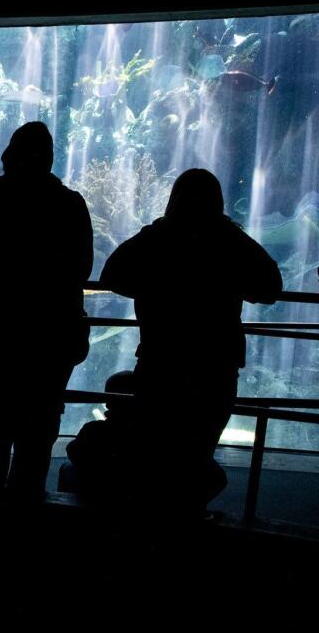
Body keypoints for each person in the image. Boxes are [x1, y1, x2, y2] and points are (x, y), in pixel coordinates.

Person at [100, 168, 280, 514]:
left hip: (161, 362)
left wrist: (151, 284)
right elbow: (270, 285)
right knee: (198, 451)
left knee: (158, 450)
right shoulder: (228, 240)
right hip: (215, 366)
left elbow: (113, 272)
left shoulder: (160, 238)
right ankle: (190, 526)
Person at [0, 122, 93, 500]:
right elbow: (82, 268)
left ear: (9, 156)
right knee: (38, 435)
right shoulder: (69, 205)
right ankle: (26, 519)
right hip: (51, 339)